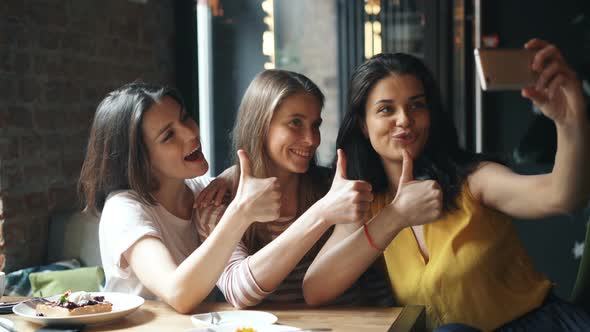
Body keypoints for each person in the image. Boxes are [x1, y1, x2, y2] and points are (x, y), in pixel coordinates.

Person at [303, 39, 590, 331]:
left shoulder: (473, 180)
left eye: (416, 105)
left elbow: (562, 196)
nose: (405, 119)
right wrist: (395, 216)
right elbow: (316, 289)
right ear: (364, 126)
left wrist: (570, 121)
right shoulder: (368, 204)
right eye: (386, 110)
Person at [78, 82, 280, 313]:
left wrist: (230, 176)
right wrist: (240, 214)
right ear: (139, 159)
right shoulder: (123, 210)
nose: (191, 132)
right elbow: (178, 294)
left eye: (184, 118)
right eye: (168, 135)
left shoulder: (205, 190)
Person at [197, 69, 391, 308]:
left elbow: (373, 283)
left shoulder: (333, 187)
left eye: (315, 125)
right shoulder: (219, 200)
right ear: (260, 124)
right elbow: (240, 291)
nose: (311, 139)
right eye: (295, 123)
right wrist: (321, 213)